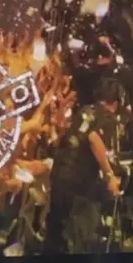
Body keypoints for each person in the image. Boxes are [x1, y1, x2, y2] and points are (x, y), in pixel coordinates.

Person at [45, 77, 122, 253]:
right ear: (115, 103)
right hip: (77, 181)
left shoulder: (85, 110)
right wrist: (110, 175)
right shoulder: (108, 118)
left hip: (60, 173)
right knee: (86, 219)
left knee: (55, 228)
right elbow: (93, 138)